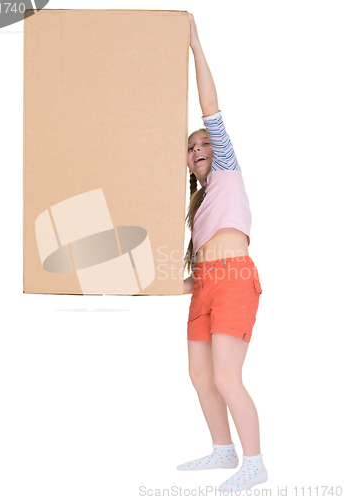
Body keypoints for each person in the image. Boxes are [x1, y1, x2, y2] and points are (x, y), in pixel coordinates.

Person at [178, 14, 268, 493]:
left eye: (203, 142)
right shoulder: (198, 204)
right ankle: (222, 450)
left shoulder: (228, 169)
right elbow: (193, 263)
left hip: (235, 279)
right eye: (190, 148)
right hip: (207, 286)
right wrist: (184, 280)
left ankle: (254, 464)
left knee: (227, 376)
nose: (198, 147)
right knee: (199, 373)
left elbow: (210, 109)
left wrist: (194, 46)